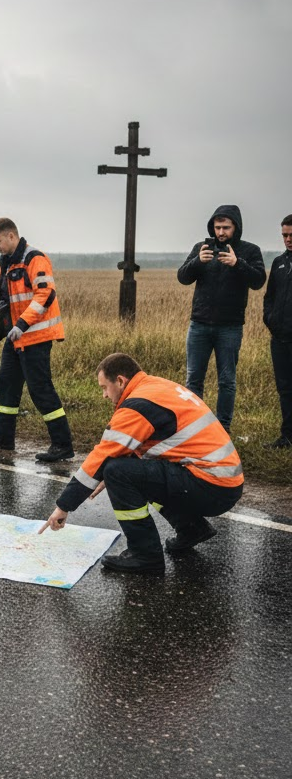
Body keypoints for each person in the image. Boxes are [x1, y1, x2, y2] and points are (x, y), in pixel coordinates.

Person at [40, 353, 243, 575]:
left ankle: (145, 555)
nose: (104, 395)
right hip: (223, 482)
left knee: (117, 472)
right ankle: (191, 529)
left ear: (120, 381)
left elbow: (103, 456)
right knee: (132, 471)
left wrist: (63, 506)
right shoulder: (156, 387)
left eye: (105, 388)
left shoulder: (137, 406)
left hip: (211, 486)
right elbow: (153, 447)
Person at [0, 217, 74, 462]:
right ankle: (3, 438)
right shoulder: (5, 263)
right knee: (6, 383)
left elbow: (45, 293)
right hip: (15, 337)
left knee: (41, 390)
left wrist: (22, 324)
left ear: (11, 236)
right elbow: (8, 295)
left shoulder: (34, 258)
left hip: (36, 335)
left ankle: (63, 446)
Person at [176, 204, 265, 432]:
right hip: (199, 325)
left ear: (236, 227)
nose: (221, 232)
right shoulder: (201, 247)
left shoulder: (249, 251)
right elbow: (183, 277)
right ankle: (194, 427)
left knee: (227, 381)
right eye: (217, 227)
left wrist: (237, 264)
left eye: (226, 227)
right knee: (194, 379)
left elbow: (258, 281)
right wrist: (198, 261)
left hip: (230, 327)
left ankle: (223, 429)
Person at [263, 215, 292, 448]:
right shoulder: (279, 263)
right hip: (280, 338)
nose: (288, 239)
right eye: (284, 235)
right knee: (285, 388)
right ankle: (287, 437)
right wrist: (270, 319)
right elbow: (269, 297)